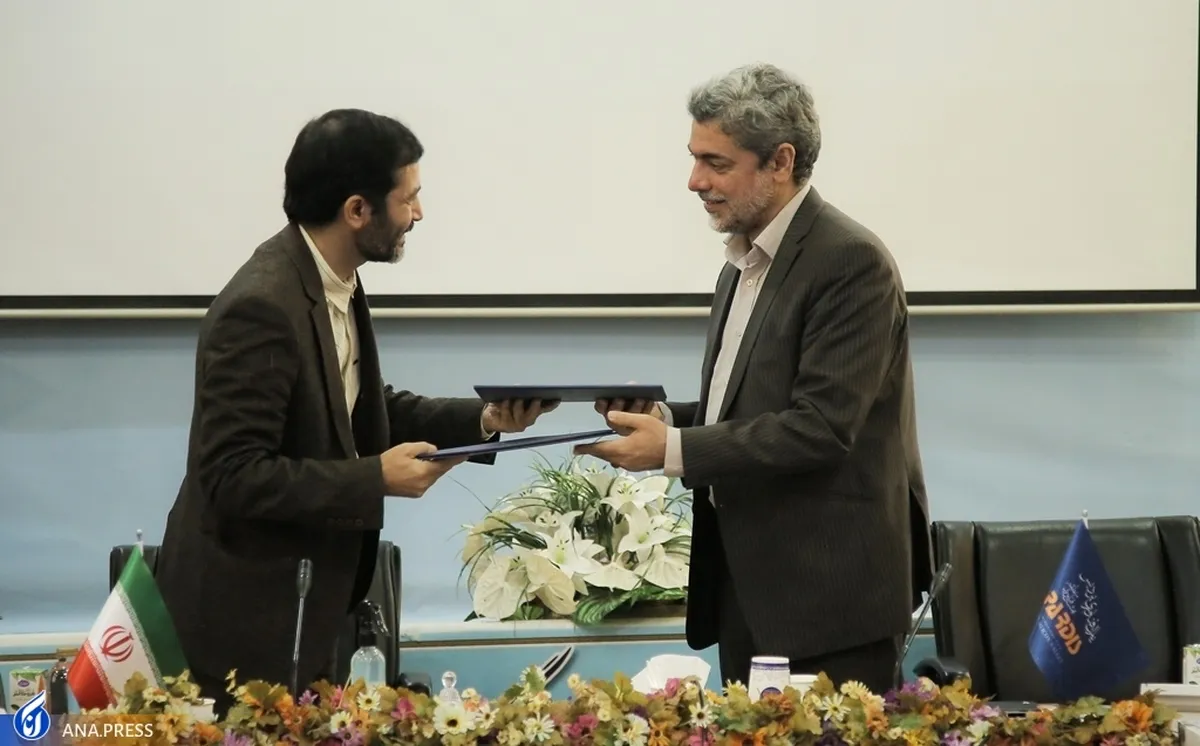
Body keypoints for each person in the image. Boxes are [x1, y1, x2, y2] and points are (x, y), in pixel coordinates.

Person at [155, 109, 555, 708]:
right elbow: (232, 475)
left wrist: (484, 421)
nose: (419, 214)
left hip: (305, 616)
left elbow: (359, 410)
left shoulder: (331, 280)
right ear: (357, 210)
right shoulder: (261, 307)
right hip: (242, 633)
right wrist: (375, 479)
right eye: (408, 198)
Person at [576, 64, 934, 692]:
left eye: (716, 163)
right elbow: (748, 406)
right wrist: (665, 420)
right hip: (749, 590)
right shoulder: (743, 262)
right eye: (694, 159)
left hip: (828, 603)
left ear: (781, 161)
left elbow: (821, 427)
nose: (695, 181)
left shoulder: (850, 261)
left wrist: (674, 449)